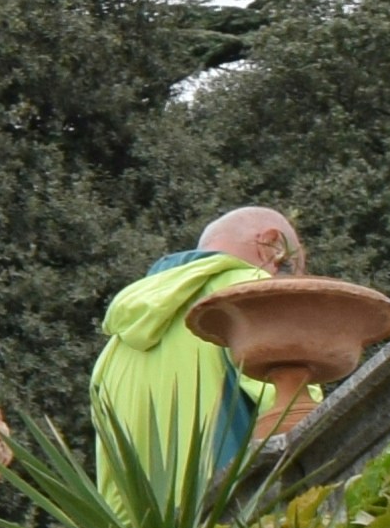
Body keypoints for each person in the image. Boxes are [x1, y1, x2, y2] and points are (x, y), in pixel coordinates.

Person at [90, 206, 297, 486]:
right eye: (292, 271)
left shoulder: (113, 350)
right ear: (272, 245)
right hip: (239, 517)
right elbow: (294, 410)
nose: (296, 288)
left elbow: (111, 478)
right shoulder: (248, 293)